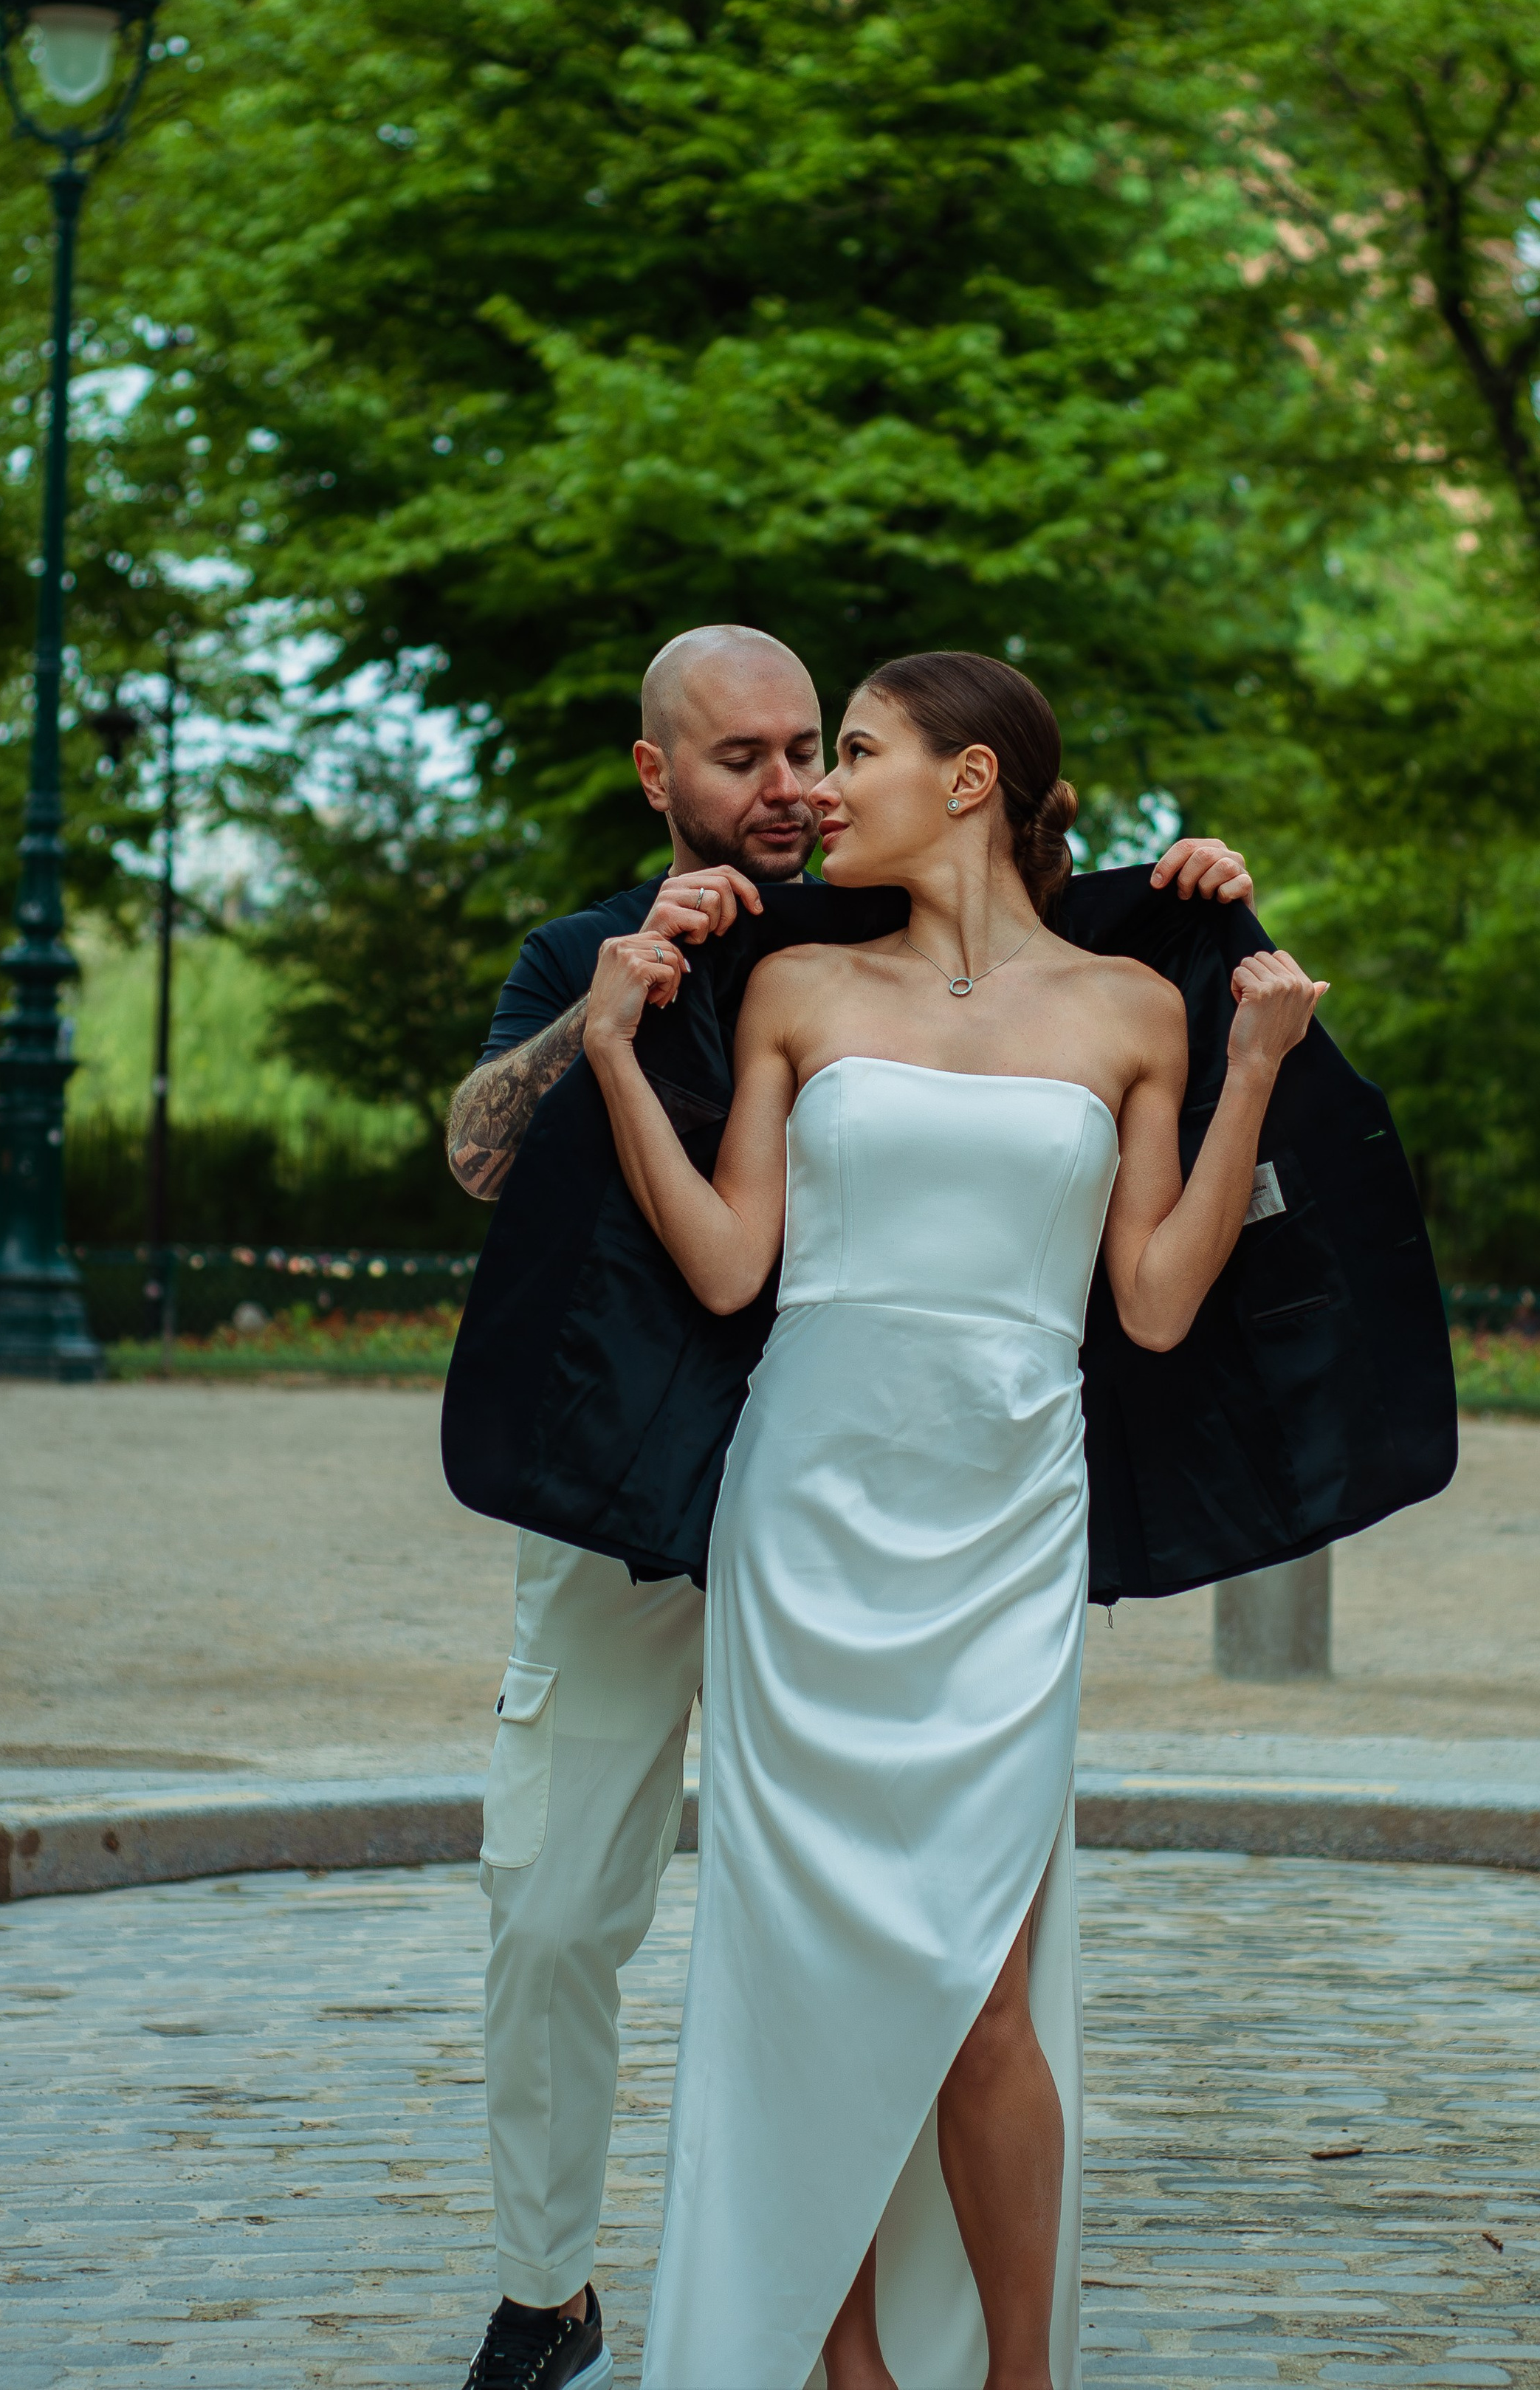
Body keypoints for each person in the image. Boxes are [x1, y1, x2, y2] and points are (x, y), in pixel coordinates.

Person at [450, 625, 1259, 2390]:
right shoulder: (669, 952)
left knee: (969, 1972)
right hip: (708, 1497)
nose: (798, 788)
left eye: (822, 745)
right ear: (656, 777)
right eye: (746, 759)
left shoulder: (1031, 971)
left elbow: (1088, 977)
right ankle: (620, 2305)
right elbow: (498, 1161)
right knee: (571, 1897)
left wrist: (1201, 910)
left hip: (981, 1510)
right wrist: (610, 1010)